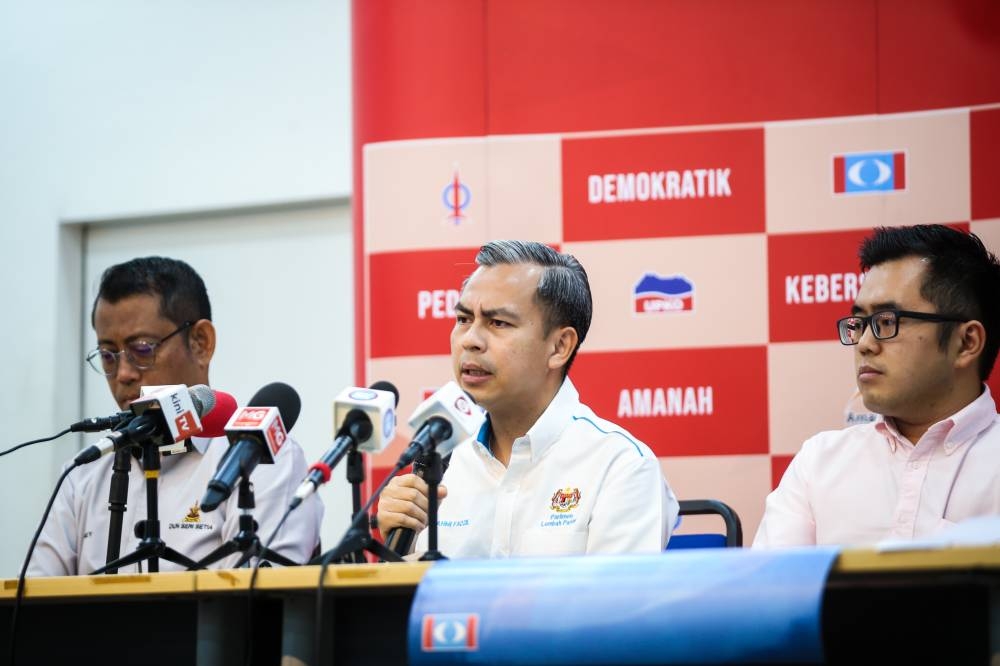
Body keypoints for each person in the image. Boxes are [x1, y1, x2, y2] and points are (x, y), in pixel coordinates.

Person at [377, 240, 678, 557]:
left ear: (560, 347)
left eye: (498, 323)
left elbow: (617, 591)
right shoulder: (443, 461)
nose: (470, 340)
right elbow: (410, 590)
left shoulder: (621, 466)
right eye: (463, 319)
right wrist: (397, 549)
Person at [29, 257, 322, 575]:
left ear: (201, 343)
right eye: (108, 355)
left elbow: (256, 596)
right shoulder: (83, 475)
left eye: (142, 349)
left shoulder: (259, 459)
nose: (123, 374)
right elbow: (31, 596)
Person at [755, 225, 1000, 547]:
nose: (865, 344)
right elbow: (776, 578)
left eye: (887, 322)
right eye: (859, 323)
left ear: (967, 342)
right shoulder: (818, 463)